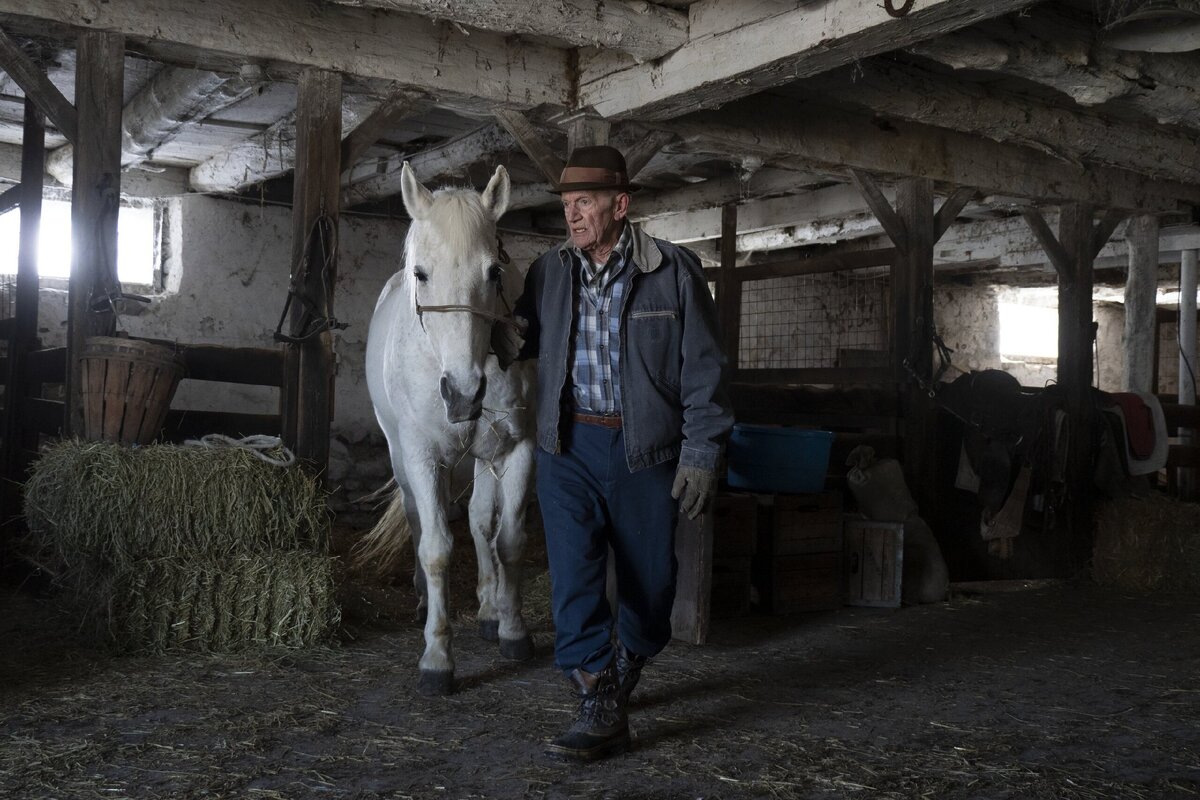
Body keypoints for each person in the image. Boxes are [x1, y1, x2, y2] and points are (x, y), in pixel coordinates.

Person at [513, 145, 734, 761]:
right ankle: (597, 696)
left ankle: (629, 659)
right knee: (573, 576)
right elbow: (517, 338)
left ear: (620, 205)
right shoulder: (548, 271)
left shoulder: (674, 270)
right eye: (566, 203)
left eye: (584, 202)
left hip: (646, 450)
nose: (572, 215)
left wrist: (702, 450)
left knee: (652, 584)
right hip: (567, 445)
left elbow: (705, 371)